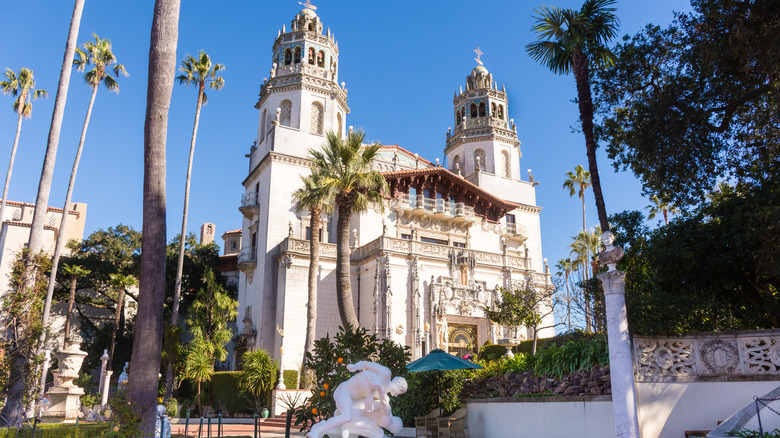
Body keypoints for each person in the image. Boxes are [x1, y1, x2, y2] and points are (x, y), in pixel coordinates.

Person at [307, 361, 407, 438]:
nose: (396, 395)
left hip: (352, 402)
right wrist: (355, 367)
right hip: (344, 391)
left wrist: (371, 391)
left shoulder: (382, 396)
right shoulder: (386, 374)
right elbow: (367, 364)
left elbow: (368, 407)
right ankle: (316, 432)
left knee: (348, 423)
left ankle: (323, 427)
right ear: (399, 386)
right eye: (399, 392)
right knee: (347, 417)